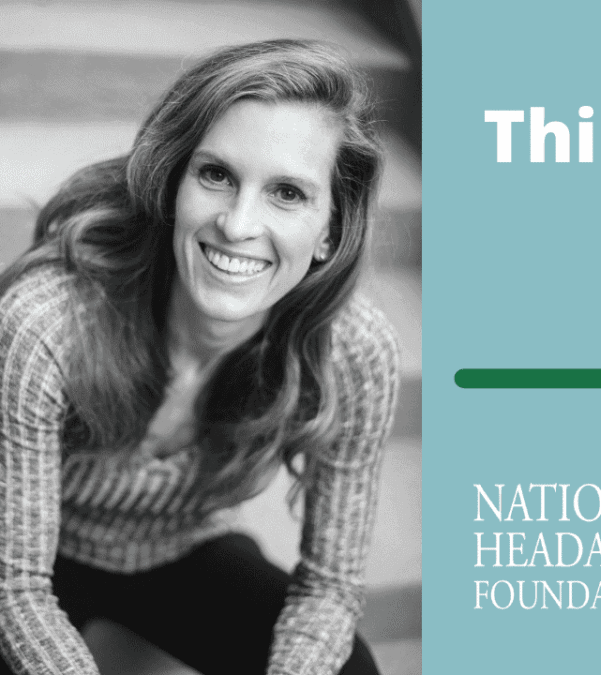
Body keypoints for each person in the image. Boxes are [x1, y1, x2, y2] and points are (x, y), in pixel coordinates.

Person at [0, 39, 402, 675]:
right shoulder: (48, 321)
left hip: (181, 547)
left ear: (330, 229)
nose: (238, 225)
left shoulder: (351, 349)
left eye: (287, 193)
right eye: (216, 175)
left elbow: (330, 588)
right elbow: (15, 587)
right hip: (21, 552)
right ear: (173, 184)